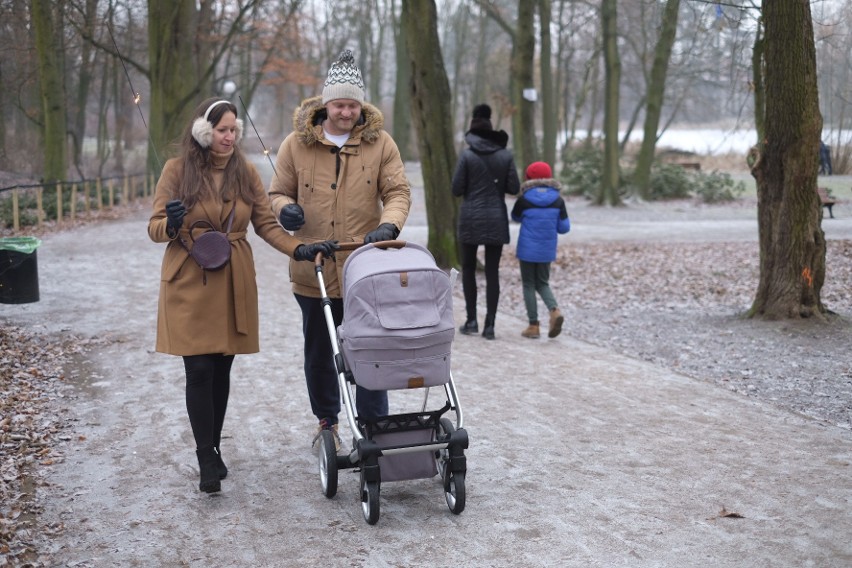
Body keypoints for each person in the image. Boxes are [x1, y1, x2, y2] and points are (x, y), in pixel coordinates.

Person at [148, 97, 338, 493]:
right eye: (221, 130)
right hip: (188, 276)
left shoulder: (246, 172)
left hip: (232, 278)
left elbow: (267, 225)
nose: (229, 137)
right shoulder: (176, 171)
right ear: (203, 131)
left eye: (234, 130)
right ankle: (205, 456)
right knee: (197, 369)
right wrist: (171, 223)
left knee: (220, 369)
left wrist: (298, 248)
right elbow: (154, 227)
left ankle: (214, 446)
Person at [268, 50, 411, 451]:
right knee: (320, 351)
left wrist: (390, 224)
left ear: (360, 105)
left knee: (371, 348)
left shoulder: (380, 144)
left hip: (365, 269)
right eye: (339, 104)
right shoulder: (295, 146)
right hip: (313, 267)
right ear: (325, 104)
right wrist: (287, 211)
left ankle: (373, 423)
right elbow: (276, 193)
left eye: (352, 105)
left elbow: (397, 191)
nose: (346, 112)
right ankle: (327, 420)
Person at [451, 103, 520, 340]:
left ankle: (471, 320)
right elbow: (513, 187)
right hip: (496, 218)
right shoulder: (505, 156)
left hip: (470, 217)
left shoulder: (467, 155)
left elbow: (456, 188)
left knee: (468, 269)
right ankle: (490, 326)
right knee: (492, 272)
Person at [511, 161, 569, 339]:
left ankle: (533, 325)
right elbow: (564, 227)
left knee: (529, 284)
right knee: (542, 283)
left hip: (527, 249)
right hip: (546, 250)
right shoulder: (558, 200)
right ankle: (554, 310)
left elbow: (515, 217)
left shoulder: (524, 199)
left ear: (528, 178)